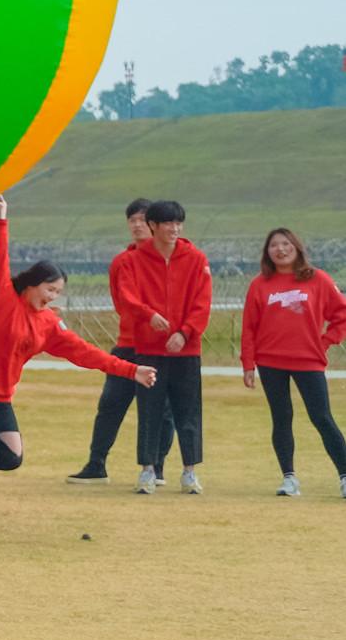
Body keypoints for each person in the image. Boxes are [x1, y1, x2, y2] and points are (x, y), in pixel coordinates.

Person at [0, 199, 148, 521]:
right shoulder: (4, 300)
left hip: (1, 396)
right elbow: (1, 258)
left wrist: (131, 370)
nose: (53, 297)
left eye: (58, 293)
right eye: (49, 289)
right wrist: (2, 217)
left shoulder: (48, 323)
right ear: (32, 284)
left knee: (11, 458)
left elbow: (85, 353)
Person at [76, 198, 210, 491]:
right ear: (153, 226)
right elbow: (125, 297)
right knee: (138, 408)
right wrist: (148, 316)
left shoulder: (196, 259)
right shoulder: (129, 260)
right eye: (167, 223)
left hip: (185, 348)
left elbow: (202, 302)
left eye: (178, 223)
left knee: (184, 410)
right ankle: (136, 468)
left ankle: (186, 471)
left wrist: (185, 332)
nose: (174, 229)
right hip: (143, 346)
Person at [235, 227, 346, 494]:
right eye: (274, 245)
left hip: (308, 360)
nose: (280, 249)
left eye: (286, 244)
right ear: (267, 252)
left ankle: (344, 475)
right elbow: (249, 327)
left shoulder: (317, 279)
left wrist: (326, 340)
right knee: (281, 418)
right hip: (271, 362)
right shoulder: (259, 284)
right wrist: (248, 364)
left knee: (321, 417)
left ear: (296, 248)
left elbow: (342, 314)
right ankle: (289, 478)